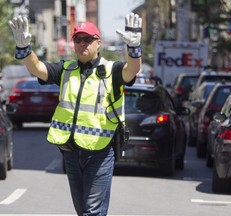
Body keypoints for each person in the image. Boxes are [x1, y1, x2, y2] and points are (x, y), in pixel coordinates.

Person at [8, 13, 142, 216]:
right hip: (71, 151)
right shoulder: (65, 70)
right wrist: (25, 50)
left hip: (101, 151)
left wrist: (133, 49)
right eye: (78, 39)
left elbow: (132, 70)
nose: (82, 44)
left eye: (87, 39)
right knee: (83, 211)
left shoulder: (111, 70)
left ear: (98, 43)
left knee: (91, 212)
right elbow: (36, 67)